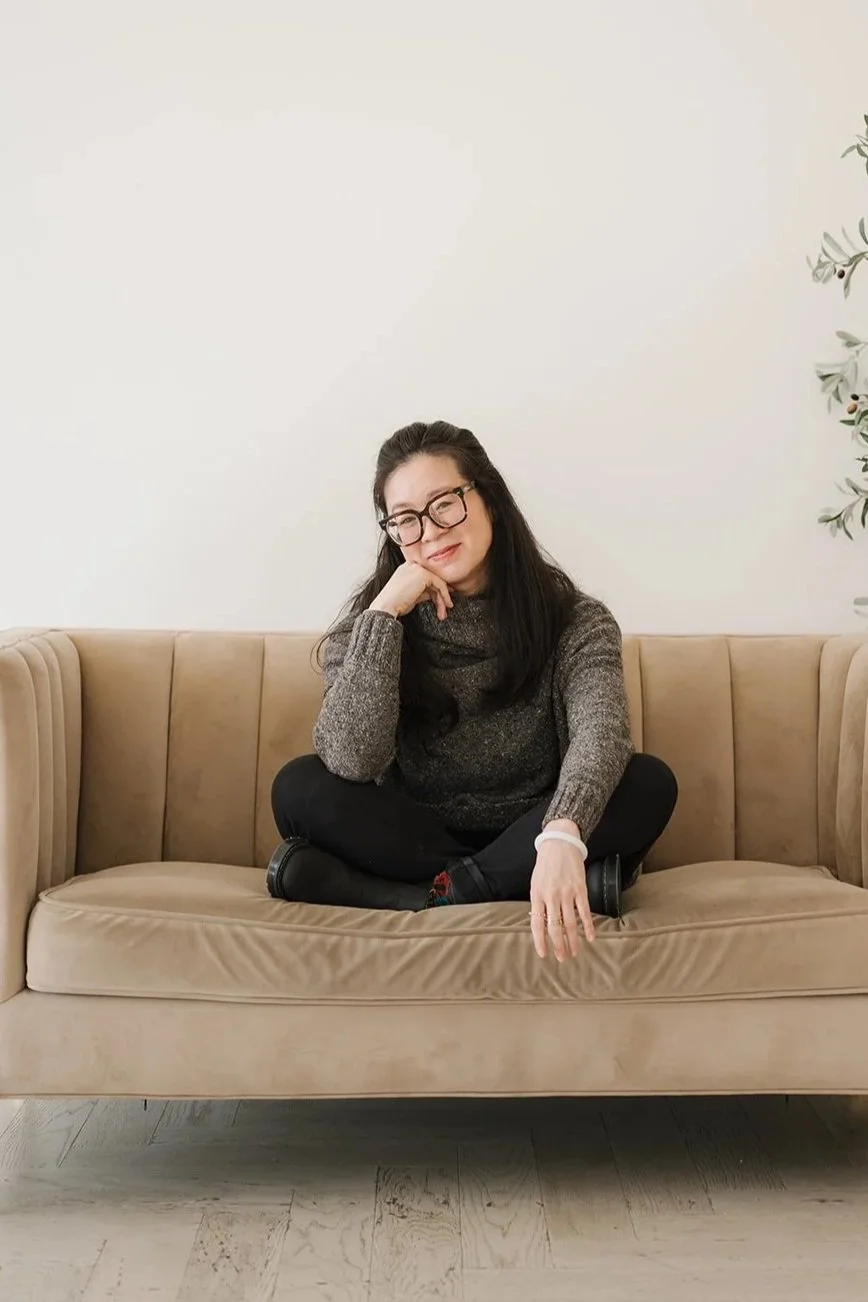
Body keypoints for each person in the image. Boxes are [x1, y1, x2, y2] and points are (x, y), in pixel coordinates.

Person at [268, 420, 677, 962]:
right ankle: (475, 887)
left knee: (645, 781)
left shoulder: (575, 619)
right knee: (299, 785)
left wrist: (561, 833)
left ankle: (420, 898)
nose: (430, 532)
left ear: (489, 499)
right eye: (406, 520)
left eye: (444, 504)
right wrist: (386, 615)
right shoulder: (372, 625)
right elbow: (350, 757)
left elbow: (601, 734)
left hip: (535, 827)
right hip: (412, 834)